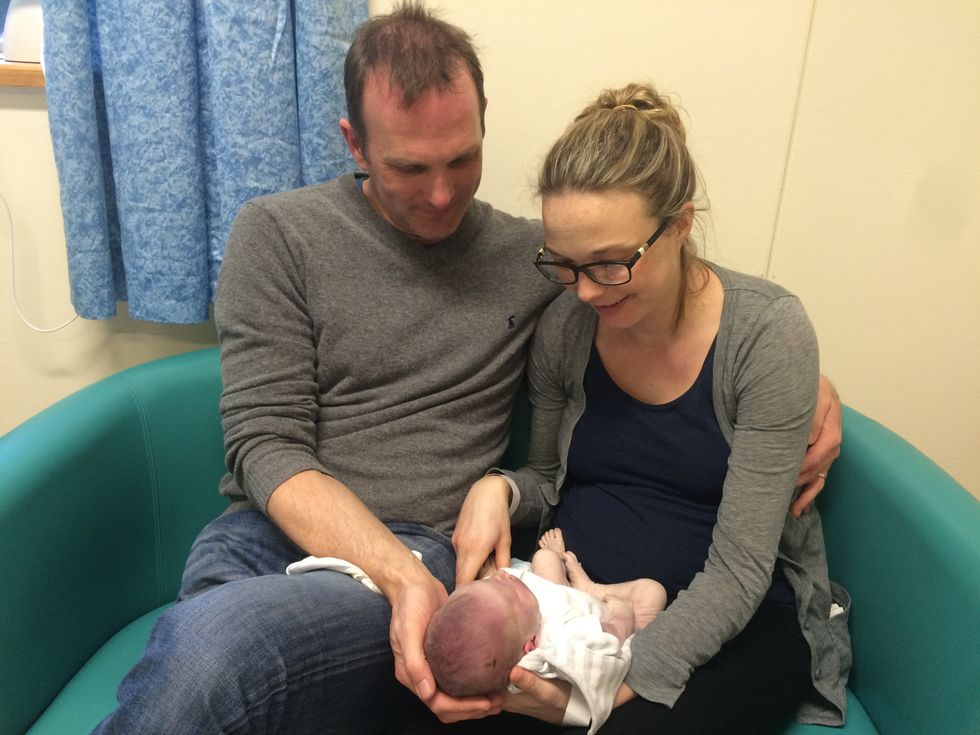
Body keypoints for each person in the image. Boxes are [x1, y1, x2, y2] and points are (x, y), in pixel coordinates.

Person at [93, 4, 843, 733]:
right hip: (269, 538)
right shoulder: (278, 235)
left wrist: (798, 382)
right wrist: (404, 568)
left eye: (463, 158)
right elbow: (264, 443)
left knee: (215, 659)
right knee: (215, 658)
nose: (443, 193)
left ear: (485, 120)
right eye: (409, 167)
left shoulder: (545, 259)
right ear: (354, 144)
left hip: (425, 544)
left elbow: (669, 284)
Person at [453, 83, 852, 734]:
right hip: (577, 598)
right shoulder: (566, 327)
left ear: (680, 225)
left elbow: (741, 567)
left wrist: (602, 688)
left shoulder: (766, 336)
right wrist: (498, 488)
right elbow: (548, 479)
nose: (583, 291)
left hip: (734, 621)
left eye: (610, 264)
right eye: (565, 264)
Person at [424, 529, 666, 733]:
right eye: (506, 589)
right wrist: (621, 613)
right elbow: (612, 634)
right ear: (531, 646)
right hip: (594, 613)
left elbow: (487, 611)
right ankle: (592, 590)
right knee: (652, 593)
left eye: (490, 582)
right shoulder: (563, 642)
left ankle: (583, 584)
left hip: (555, 592)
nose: (503, 575)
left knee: (543, 557)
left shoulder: (511, 611)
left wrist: (490, 581)